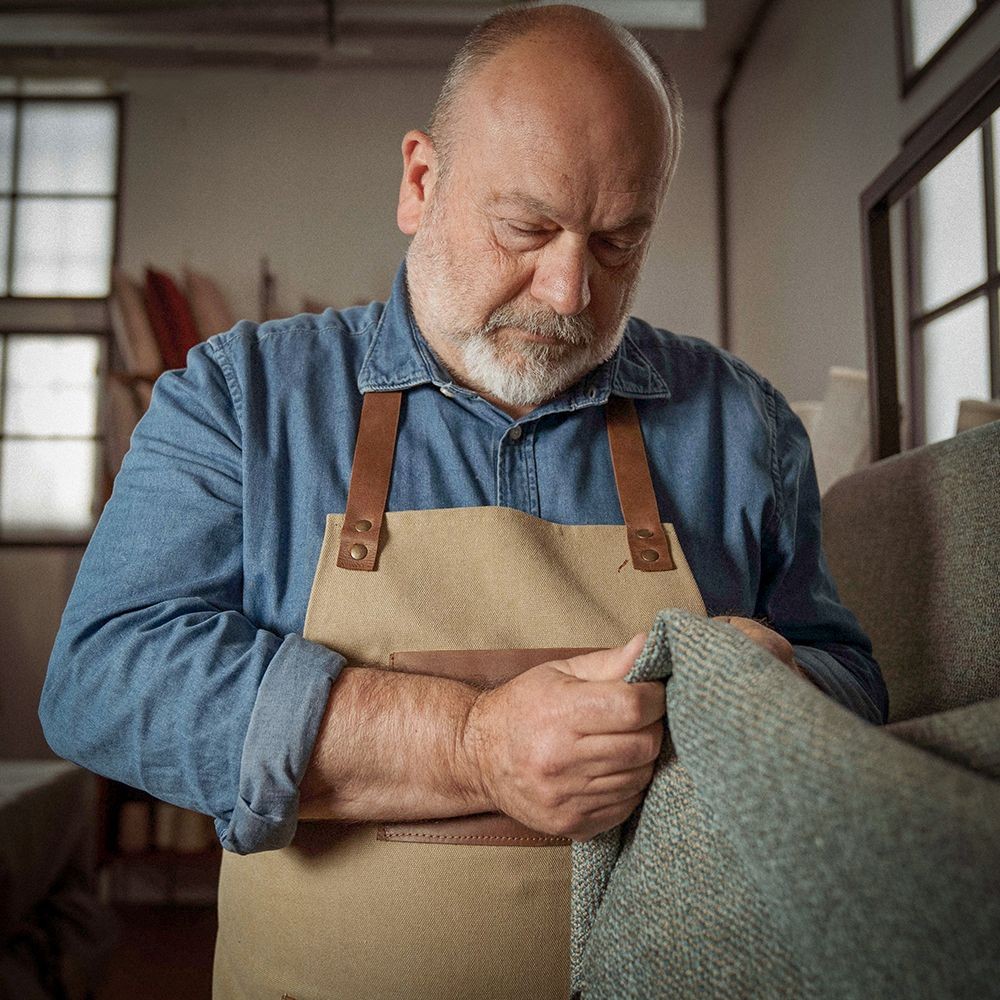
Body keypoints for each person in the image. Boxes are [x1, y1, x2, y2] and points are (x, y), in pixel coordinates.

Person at [41, 5, 887, 998]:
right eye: (526, 228)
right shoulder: (244, 396)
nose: (570, 290)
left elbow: (855, 688)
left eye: (618, 244)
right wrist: (472, 746)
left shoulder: (739, 426)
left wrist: (777, 683)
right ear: (419, 182)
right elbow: (101, 678)